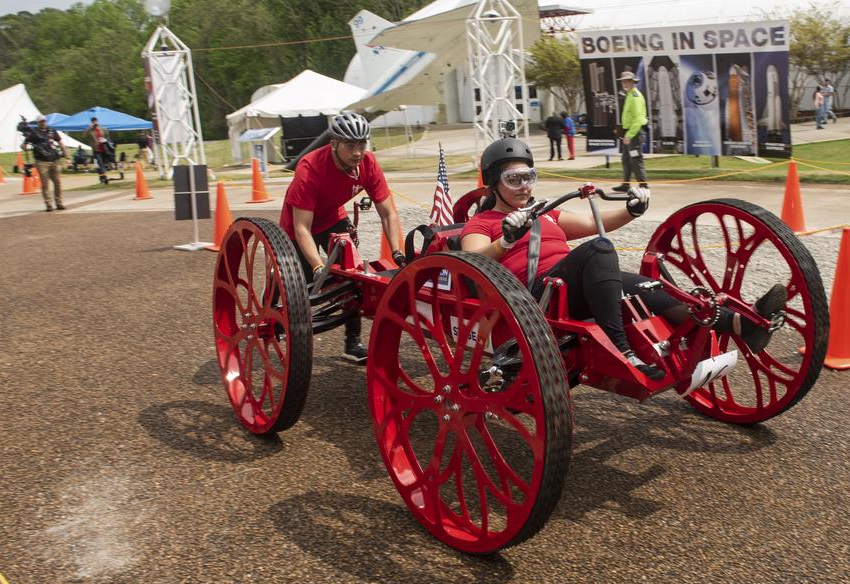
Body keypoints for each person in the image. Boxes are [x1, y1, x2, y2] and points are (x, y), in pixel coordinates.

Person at [460, 137, 786, 381]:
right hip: (532, 300)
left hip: (568, 289)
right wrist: (505, 240)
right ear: (493, 183)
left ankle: (741, 324)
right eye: (513, 179)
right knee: (599, 249)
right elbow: (473, 259)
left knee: (650, 284)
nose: (524, 187)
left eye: (528, 177)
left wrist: (631, 210)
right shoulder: (482, 223)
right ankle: (622, 350)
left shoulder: (547, 214)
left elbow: (594, 220)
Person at [279, 111, 404, 363]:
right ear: (333, 143)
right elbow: (302, 227)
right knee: (303, 285)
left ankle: (352, 343)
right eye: (350, 145)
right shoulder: (310, 167)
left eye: (362, 144)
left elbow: (388, 212)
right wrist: (316, 266)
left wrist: (397, 252)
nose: (357, 152)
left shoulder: (367, 164)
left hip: (332, 218)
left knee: (352, 277)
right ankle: (279, 307)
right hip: (299, 226)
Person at [18, 116, 67, 211]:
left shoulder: (52, 131)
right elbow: (24, 145)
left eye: (44, 121)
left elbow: (61, 143)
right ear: (38, 123)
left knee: (58, 182)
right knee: (45, 183)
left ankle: (59, 202)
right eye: (41, 121)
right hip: (41, 161)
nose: (43, 123)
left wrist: (66, 156)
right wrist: (23, 146)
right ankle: (48, 204)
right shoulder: (33, 133)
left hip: (54, 159)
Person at [613, 70, 648, 192]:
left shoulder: (635, 96)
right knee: (626, 159)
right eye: (623, 81)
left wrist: (630, 134)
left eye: (627, 81)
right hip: (629, 132)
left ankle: (643, 185)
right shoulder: (629, 95)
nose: (624, 83)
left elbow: (638, 118)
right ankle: (625, 184)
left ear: (633, 82)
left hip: (634, 133)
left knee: (635, 159)